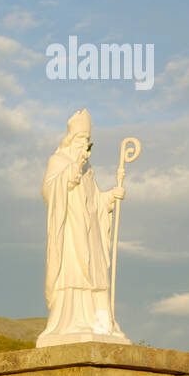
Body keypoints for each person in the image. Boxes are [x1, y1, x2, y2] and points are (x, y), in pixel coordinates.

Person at [37, 109, 129, 346]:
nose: (84, 144)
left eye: (87, 140)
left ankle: (100, 323)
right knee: (74, 272)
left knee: (96, 274)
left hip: (91, 234)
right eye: (80, 139)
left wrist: (110, 197)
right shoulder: (58, 161)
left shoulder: (89, 169)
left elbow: (95, 201)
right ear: (70, 139)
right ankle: (73, 322)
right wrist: (72, 170)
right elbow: (49, 191)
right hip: (70, 232)